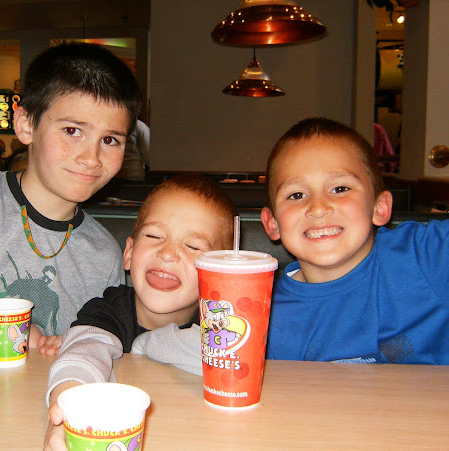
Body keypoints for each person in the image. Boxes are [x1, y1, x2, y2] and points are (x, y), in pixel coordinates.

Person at [0, 42, 143, 353]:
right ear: (26, 125)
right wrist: (8, 332)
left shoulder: (104, 254)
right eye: (73, 131)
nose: (91, 157)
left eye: (110, 139)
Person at [43, 175, 237, 450]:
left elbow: (229, 361)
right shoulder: (108, 307)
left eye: (193, 246)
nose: (168, 253)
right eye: (154, 236)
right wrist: (64, 414)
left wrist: (148, 344)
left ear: (221, 270)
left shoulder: (223, 323)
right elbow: (84, 352)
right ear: (129, 253)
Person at [260, 117, 449, 364]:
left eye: (340, 189)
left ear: (379, 208)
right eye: (296, 195)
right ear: (272, 223)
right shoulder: (266, 313)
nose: (318, 208)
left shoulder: (426, 254)